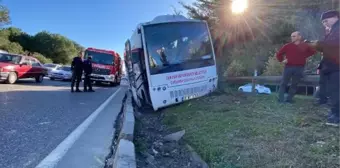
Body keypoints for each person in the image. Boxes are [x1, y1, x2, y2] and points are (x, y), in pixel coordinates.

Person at [307, 10, 340, 125]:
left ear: (335, 17)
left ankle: (337, 116)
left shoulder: (338, 29)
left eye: (326, 20)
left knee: (336, 91)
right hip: (331, 66)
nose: (325, 23)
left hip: (336, 67)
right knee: (333, 91)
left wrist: (318, 44)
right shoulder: (333, 30)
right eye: (323, 22)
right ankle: (334, 112)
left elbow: (333, 45)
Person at [276, 31, 317, 103]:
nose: (292, 38)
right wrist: (282, 60)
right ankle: (280, 100)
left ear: (299, 37)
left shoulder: (305, 45)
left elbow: (313, 51)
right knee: (283, 83)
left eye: (294, 36)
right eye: (291, 36)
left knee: (294, 84)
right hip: (288, 67)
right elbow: (279, 54)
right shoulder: (287, 46)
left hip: (299, 68)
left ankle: (289, 99)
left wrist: (304, 56)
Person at [316, 26, 332, 105]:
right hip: (324, 65)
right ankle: (322, 100)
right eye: (326, 30)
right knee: (322, 83)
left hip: (334, 66)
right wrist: (319, 67)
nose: (327, 31)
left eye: (328, 30)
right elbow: (324, 56)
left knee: (334, 84)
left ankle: (332, 101)